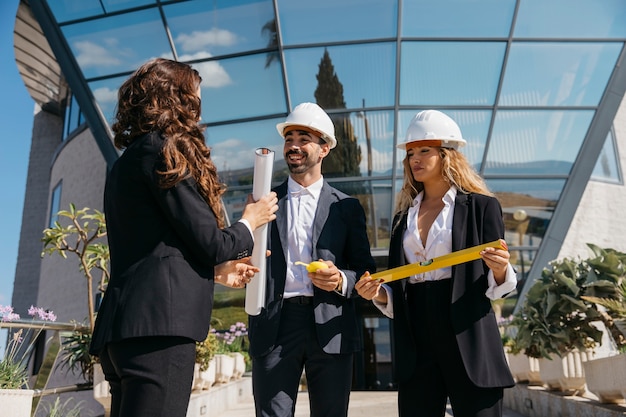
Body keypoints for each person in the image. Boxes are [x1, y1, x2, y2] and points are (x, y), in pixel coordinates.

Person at [89, 58, 278, 417]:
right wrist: (250, 222)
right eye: (196, 98)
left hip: (126, 330)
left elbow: (159, 247)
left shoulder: (128, 160)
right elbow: (212, 243)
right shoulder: (162, 152)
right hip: (159, 334)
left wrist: (217, 272)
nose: (199, 108)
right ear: (176, 99)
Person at [355, 110, 517, 417]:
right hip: (415, 334)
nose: (415, 159)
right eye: (411, 153)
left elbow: (498, 284)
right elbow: (400, 287)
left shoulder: (482, 207)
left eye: (424, 151)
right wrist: (376, 293)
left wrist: (499, 268)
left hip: (467, 329)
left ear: (447, 154)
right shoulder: (403, 217)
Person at [248, 102, 376, 417]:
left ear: (324, 149)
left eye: (303, 138)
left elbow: (364, 271)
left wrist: (341, 279)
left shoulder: (347, 207)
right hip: (275, 325)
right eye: (289, 138)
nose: (293, 145)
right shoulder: (263, 201)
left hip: (331, 324)